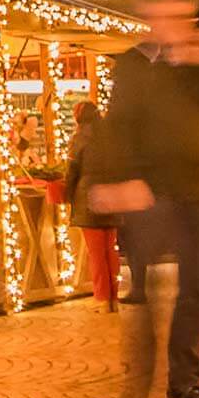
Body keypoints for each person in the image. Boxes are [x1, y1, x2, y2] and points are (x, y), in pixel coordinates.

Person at [93, 0, 199, 398]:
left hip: (197, 192)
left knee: (195, 289)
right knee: (144, 291)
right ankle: (135, 387)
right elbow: (117, 125)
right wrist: (114, 180)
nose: (179, 24)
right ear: (152, 22)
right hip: (150, 193)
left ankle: (184, 384)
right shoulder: (134, 65)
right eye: (169, 17)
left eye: (183, 17)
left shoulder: (195, 68)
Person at [62, 100, 119, 313]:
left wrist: (67, 194)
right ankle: (114, 298)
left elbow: (72, 169)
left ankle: (102, 299)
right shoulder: (111, 137)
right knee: (111, 251)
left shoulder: (79, 139)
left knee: (96, 253)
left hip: (88, 198)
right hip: (110, 196)